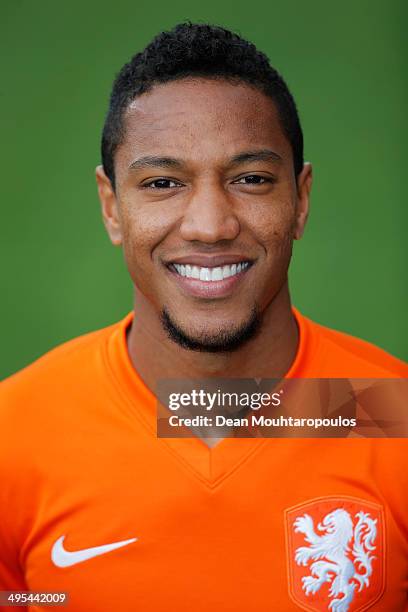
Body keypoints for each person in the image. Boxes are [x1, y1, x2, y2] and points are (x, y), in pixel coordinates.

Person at [0, 22, 406, 612]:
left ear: (301, 199)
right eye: (163, 182)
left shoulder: (388, 412)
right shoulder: (14, 435)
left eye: (251, 179)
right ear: (112, 206)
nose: (210, 225)